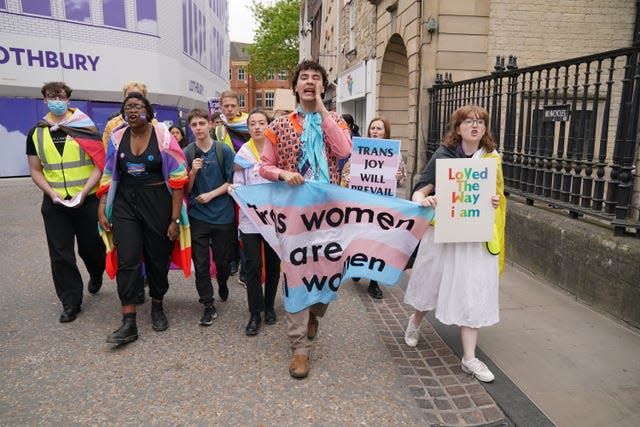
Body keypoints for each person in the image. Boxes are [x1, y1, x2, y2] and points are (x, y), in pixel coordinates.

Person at [259, 59, 352, 379]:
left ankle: (316, 310)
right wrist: (284, 173)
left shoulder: (336, 120)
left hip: (330, 214)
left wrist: (323, 111)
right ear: (296, 86)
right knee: (297, 276)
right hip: (294, 215)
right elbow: (264, 167)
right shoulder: (279, 127)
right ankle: (299, 348)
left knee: (329, 271)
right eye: (304, 78)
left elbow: (343, 151)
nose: (310, 81)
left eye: (316, 78)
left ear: (322, 87)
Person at [403, 105, 506, 383]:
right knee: (431, 282)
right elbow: (420, 189)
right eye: (469, 121)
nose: (475, 126)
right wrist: (423, 200)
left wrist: (494, 201)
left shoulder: (492, 158)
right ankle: (415, 322)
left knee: (470, 290)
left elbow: (496, 196)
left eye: (480, 122)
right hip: (443, 234)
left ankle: (469, 358)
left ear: (485, 128)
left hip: (473, 237)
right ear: (457, 127)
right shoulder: (444, 155)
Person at [98, 93, 189, 344]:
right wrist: (103, 205)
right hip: (126, 203)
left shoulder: (163, 136)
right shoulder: (117, 137)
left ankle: (157, 305)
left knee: (157, 258)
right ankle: (129, 321)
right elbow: (108, 172)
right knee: (127, 258)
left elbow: (179, 178)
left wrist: (174, 220)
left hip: (158, 201)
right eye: (128, 107)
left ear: (148, 110)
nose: (132, 111)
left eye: (137, 106)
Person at [26, 82, 105, 322]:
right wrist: (51, 193)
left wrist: (85, 191)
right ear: (45, 100)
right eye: (51, 96)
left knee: (92, 247)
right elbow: (35, 169)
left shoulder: (85, 128)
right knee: (60, 254)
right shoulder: (37, 132)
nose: (56, 99)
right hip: (55, 203)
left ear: (69, 99)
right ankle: (71, 302)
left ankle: (96, 272)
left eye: (61, 95)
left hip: (87, 199)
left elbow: (98, 165)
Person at [340, 116, 407, 299]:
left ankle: (374, 283)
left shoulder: (394, 153)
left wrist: (399, 176)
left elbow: (401, 177)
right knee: (360, 239)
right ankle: (357, 267)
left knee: (377, 244)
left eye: (379, 128)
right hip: (362, 205)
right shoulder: (359, 150)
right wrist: (347, 178)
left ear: (386, 132)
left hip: (382, 206)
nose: (375, 131)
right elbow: (347, 171)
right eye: (373, 128)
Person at [184, 108, 236, 326]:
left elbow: (232, 182)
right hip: (198, 216)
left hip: (222, 214)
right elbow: (185, 189)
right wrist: (193, 172)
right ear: (190, 128)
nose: (198, 128)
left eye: (201, 124)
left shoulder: (223, 150)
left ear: (210, 125)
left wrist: (212, 194)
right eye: (194, 125)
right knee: (202, 263)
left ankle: (222, 282)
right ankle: (207, 304)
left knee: (222, 261)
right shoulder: (187, 152)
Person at [232, 109, 281, 336]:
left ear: (268, 125)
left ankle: (269, 306)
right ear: (248, 128)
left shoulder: (278, 150)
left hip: (274, 219)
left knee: (273, 264)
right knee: (252, 266)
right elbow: (239, 184)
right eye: (253, 123)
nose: (258, 127)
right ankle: (255, 312)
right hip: (250, 219)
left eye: (262, 122)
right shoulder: (242, 153)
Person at [213, 91, 250, 278]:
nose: (229, 109)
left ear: (238, 106)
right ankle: (233, 259)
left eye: (232, 105)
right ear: (221, 107)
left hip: (248, 176)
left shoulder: (249, 123)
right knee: (231, 222)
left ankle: (246, 264)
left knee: (246, 221)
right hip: (227, 178)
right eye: (225, 106)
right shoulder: (219, 128)